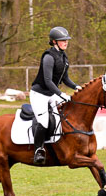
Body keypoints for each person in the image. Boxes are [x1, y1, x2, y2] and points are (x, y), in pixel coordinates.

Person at [30, 26, 82, 165]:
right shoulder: (48, 57)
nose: (66, 42)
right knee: (44, 121)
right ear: (54, 42)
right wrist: (61, 94)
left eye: (66, 40)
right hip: (39, 94)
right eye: (62, 40)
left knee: (66, 112)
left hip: (51, 93)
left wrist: (76, 86)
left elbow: (65, 79)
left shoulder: (63, 56)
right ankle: (38, 150)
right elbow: (47, 81)